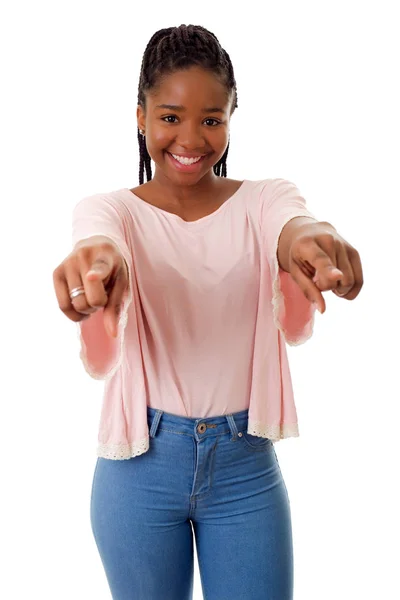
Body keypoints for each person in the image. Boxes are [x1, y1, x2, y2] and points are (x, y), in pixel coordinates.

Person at [53, 24, 363, 600]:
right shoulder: (111, 210)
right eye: (170, 117)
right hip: (139, 468)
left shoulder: (264, 199)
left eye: (211, 119)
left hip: (244, 466)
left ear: (230, 118)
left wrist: (313, 240)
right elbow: (99, 242)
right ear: (140, 116)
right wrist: (95, 263)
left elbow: (293, 226)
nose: (190, 138)